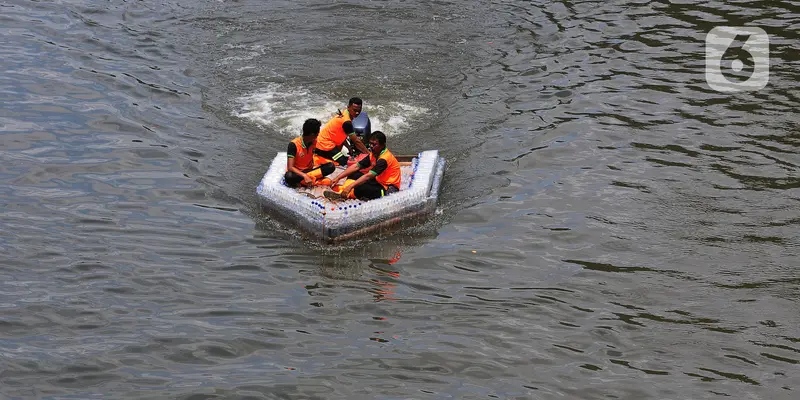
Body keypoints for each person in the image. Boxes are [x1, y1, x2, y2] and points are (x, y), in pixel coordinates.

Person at [323, 131, 400, 201]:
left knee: (359, 188)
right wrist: (338, 178)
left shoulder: (384, 159)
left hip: (388, 188)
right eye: (370, 143)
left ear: (382, 145)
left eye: (374, 144)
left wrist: (350, 186)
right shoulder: (373, 154)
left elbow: (368, 176)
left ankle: (345, 195)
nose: (371, 146)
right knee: (354, 174)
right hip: (378, 181)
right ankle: (343, 190)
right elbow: (356, 166)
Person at [314, 97, 370, 166]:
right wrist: (369, 154)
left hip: (331, 143)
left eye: (359, 110)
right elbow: (356, 141)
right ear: (348, 107)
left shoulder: (345, 112)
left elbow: (341, 133)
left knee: (348, 158)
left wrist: (349, 147)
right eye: (355, 110)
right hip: (324, 145)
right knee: (345, 163)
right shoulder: (346, 122)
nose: (357, 113)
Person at [284, 118, 335, 188]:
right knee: (288, 176)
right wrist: (304, 175)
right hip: (297, 173)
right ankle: (311, 180)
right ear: (312, 134)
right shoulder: (293, 144)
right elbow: (290, 167)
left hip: (310, 171)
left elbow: (324, 151)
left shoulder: (315, 142)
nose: (317, 136)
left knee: (331, 166)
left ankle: (307, 181)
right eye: (317, 134)